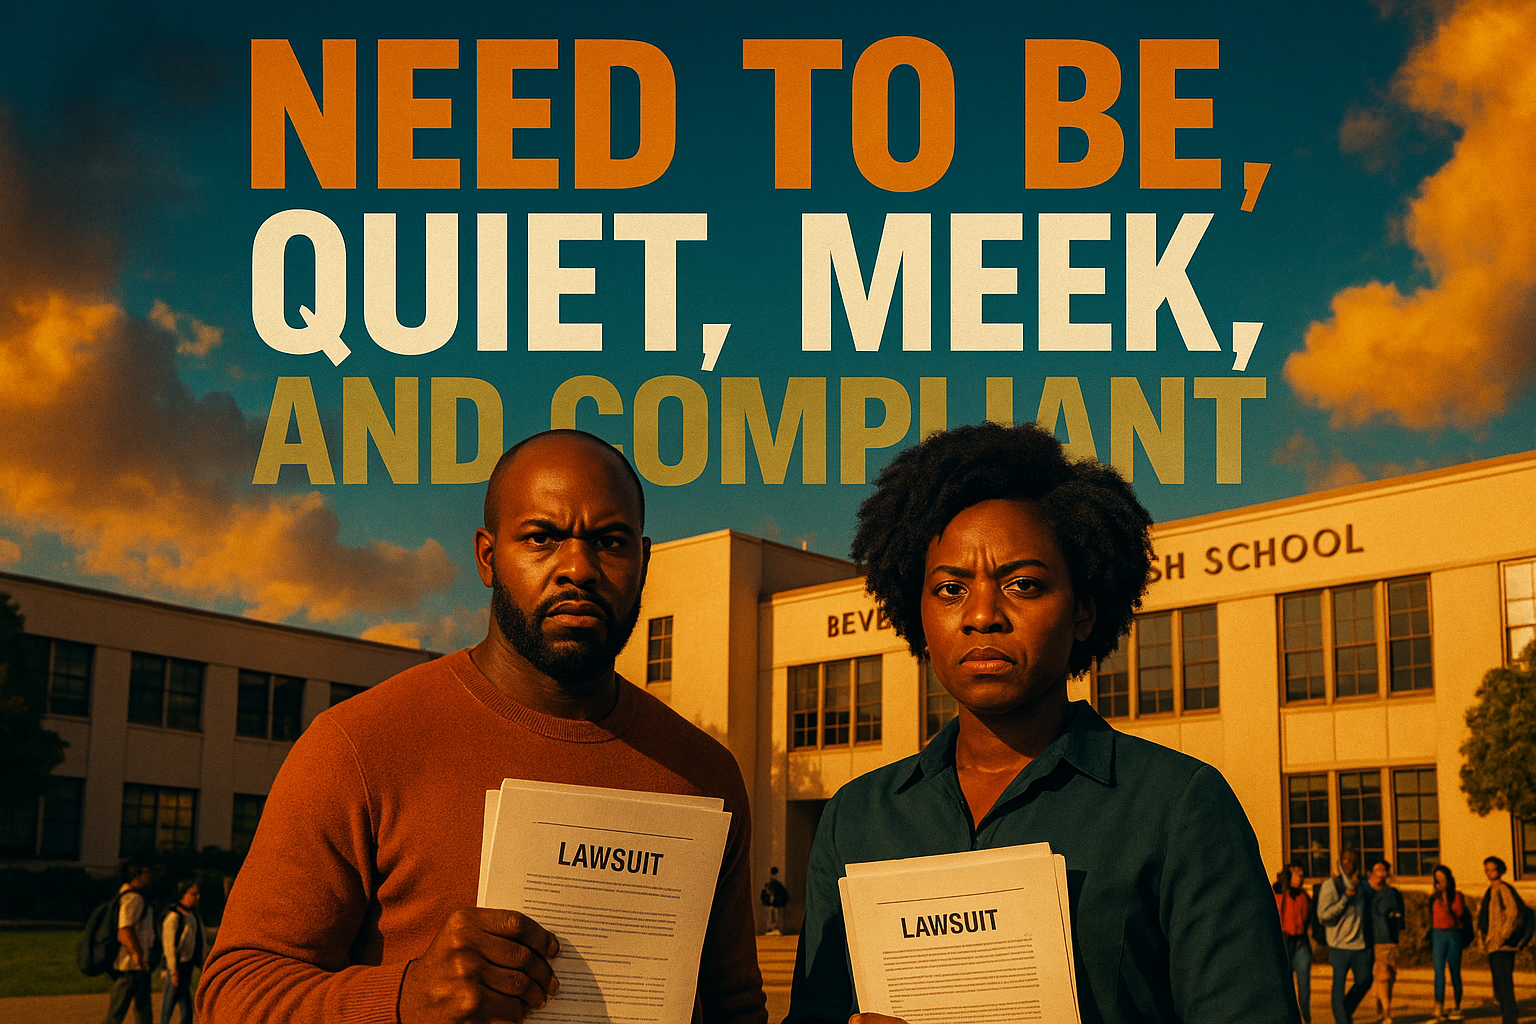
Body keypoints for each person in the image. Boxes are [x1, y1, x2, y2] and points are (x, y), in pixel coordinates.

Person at [198, 430, 767, 1024]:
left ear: (643, 562)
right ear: (488, 558)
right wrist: (404, 998)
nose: (579, 568)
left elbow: (736, 1009)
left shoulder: (704, 774)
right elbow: (232, 995)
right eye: (542, 538)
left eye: (610, 542)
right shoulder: (360, 746)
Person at [785, 422, 1298, 1024]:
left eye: (1023, 585)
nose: (982, 615)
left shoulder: (1179, 806)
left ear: (1083, 612)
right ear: (915, 612)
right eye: (950, 589)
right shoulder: (857, 817)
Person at [1316, 848, 1373, 1024]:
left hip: (1360, 944)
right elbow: (1323, 916)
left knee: (1365, 980)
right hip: (1338, 945)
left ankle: (1344, 1011)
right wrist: (1345, 899)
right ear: (1339, 862)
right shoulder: (1331, 885)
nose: (1350, 863)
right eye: (1346, 859)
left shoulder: (1362, 884)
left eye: (1353, 860)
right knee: (1338, 989)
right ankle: (1343, 1019)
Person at [1477, 856, 1529, 1024]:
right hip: (1493, 944)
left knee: (1504, 982)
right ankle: (1510, 1012)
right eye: (1487, 870)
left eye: (1492, 869)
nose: (1489, 873)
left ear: (1500, 870)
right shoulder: (1490, 890)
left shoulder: (1503, 889)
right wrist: (1483, 938)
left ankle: (1510, 1018)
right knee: (1499, 984)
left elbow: (1513, 912)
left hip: (1504, 945)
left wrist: (1504, 936)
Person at [101, 860, 154, 1024]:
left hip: (134, 967)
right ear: (136, 875)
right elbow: (124, 931)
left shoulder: (126, 896)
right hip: (131, 967)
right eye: (146, 873)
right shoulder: (133, 898)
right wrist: (139, 956)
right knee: (116, 1015)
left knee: (142, 1013)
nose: (149, 877)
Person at [160, 879, 206, 1024]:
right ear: (183, 894)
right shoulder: (174, 916)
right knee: (168, 1006)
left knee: (186, 1009)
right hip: (176, 967)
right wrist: (173, 972)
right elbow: (169, 946)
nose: (197, 897)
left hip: (187, 967)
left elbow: (202, 935)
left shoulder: (192, 915)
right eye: (193, 894)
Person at [1365, 859, 1403, 1024]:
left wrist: (1394, 919)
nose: (1381, 873)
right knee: (1383, 976)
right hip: (1372, 940)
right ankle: (1387, 1013)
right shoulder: (1364, 892)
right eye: (1377, 869)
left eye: (1383, 870)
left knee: (1390, 977)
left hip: (1390, 939)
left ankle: (1382, 1003)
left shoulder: (1392, 893)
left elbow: (1399, 916)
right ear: (1370, 873)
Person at [1276, 863, 1314, 1023]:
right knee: (1286, 983)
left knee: (1304, 983)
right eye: (1296, 873)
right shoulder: (1278, 895)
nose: (1301, 876)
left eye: (1301, 872)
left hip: (1300, 941)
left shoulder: (1304, 896)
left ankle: (1306, 1016)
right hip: (1284, 941)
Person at [1428, 864, 1467, 1022]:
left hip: (1453, 934)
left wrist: (1445, 897)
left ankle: (1457, 1004)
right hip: (1438, 934)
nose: (1440, 881)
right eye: (1437, 879)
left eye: (1442, 878)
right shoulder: (1433, 898)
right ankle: (1439, 1004)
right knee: (1439, 971)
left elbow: (1457, 914)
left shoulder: (1456, 896)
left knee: (1454, 970)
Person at [761, 867, 790, 936]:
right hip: (773, 904)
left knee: (774, 916)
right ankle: (772, 928)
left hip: (775, 904)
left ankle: (774, 928)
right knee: (772, 916)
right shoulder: (775, 884)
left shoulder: (775, 885)